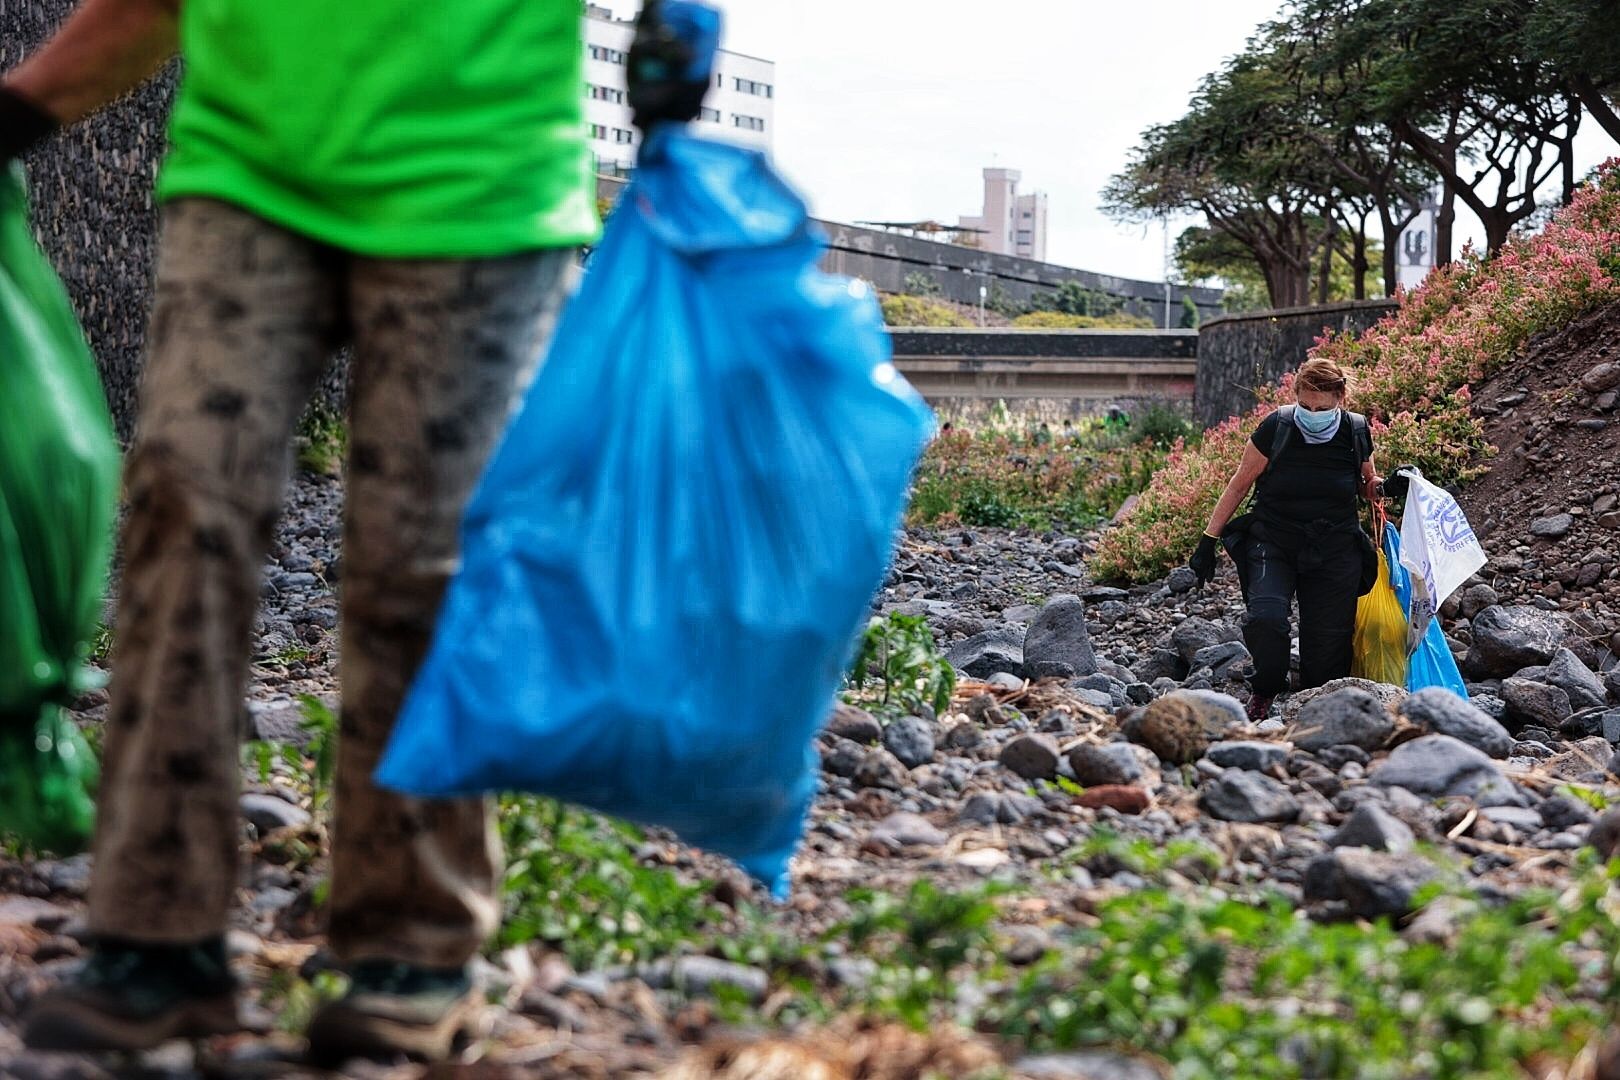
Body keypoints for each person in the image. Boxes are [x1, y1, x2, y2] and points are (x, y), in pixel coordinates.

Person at [2, 0, 708, 1062]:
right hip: (249, 175)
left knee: (424, 569)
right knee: (181, 520)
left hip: (481, 185)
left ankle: (413, 951)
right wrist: (23, 106)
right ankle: (154, 936)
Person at [1186, 359, 1402, 721]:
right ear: (1296, 398)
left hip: (1335, 547)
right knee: (1266, 619)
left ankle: (1315, 709)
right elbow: (1239, 484)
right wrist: (1208, 540)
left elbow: (1368, 486)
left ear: (1340, 398)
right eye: (1305, 406)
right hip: (1275, 540)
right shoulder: (1278, 426)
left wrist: (1388, 487)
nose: (1312, 413)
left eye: (1322, 407)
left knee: (1327, 647)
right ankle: (1266, 689)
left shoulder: (1355, 430)